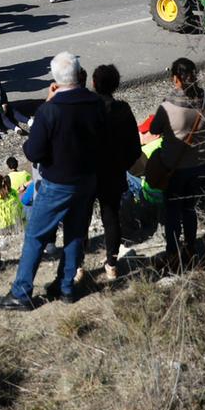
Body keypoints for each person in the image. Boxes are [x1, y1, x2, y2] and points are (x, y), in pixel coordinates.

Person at [0, 52, 105, 309]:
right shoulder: (96, 103)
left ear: (55, 80)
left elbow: (33, 152)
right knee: (76, 233)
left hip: (57, 183)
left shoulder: (50, 110)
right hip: (87, 179)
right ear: (79, 74)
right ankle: (66, 287)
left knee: (36, 236)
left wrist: (46, 103)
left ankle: (21, 293)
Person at [143, 58, 205, 267]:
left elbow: (154, 130)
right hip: (200, 162)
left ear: (176, 80)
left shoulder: (167, 106)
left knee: (173, 212)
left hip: (175, 168)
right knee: (190, 209)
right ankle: (191, 249)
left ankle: (172, 253)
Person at [91, 63, 141, 281]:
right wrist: (123, 165)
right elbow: (134, 147)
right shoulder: (123, 110)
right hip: (113, 171)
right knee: (111, 218)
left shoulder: (87, 109)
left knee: (81, 219)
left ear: (93, 83)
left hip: (89, 172)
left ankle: (77, 267)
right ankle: (112, 264)